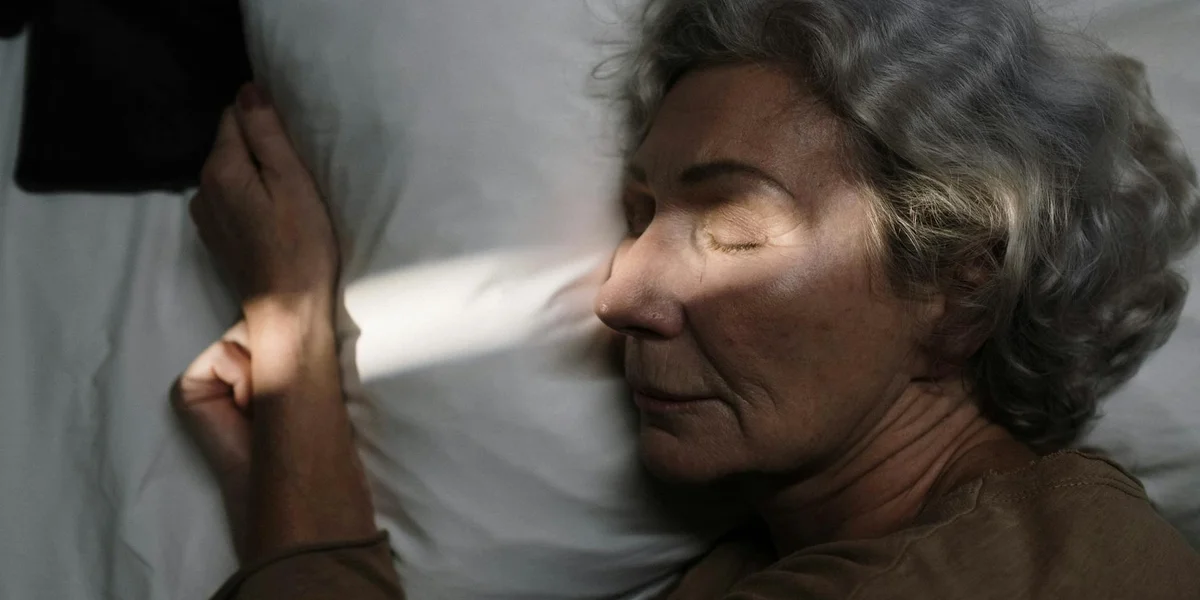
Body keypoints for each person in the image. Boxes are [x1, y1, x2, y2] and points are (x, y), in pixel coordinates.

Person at [175, 0, 1200, 598]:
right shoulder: (818, 550)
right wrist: (288, 455)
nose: (618, 292)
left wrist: (296, 331)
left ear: (959, 284)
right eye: (638, 218)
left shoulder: (1050, 573)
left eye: (731, 232)